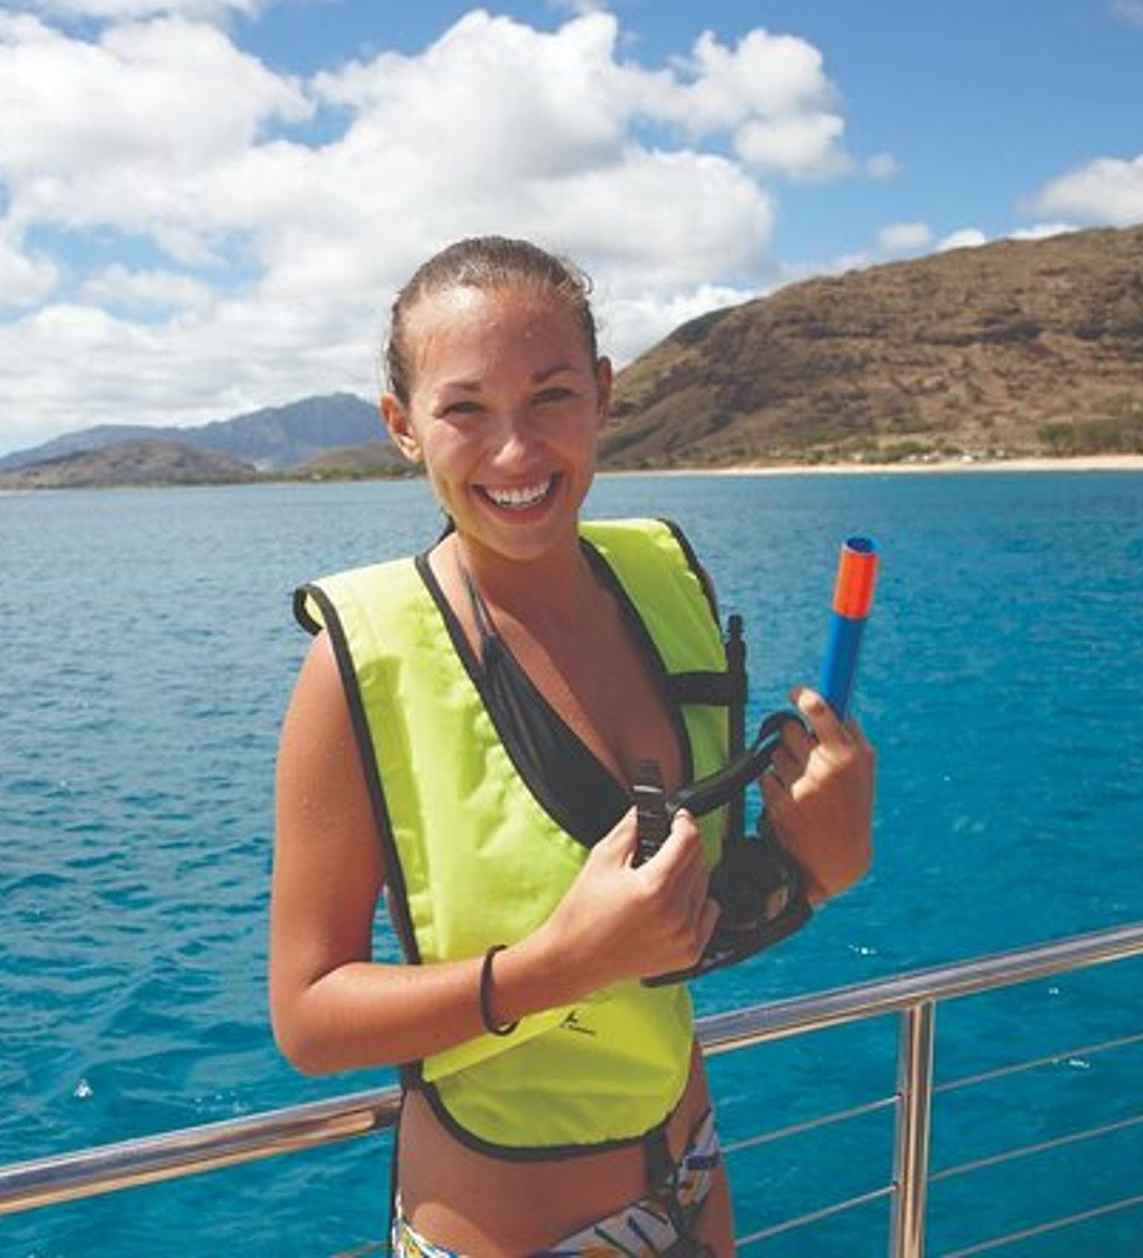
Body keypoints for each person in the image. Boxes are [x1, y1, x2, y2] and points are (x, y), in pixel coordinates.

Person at [269, 236, 875, 1257]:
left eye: (549, 397)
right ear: (402, 429)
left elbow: (684, 931)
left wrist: (821, 867)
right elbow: (308, 1015)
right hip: (507, 1224)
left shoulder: (662, 585)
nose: (515, 455)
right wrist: (550, 967)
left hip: (691, 1165)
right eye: (464, 410)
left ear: (601, 395)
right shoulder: (357, 662)